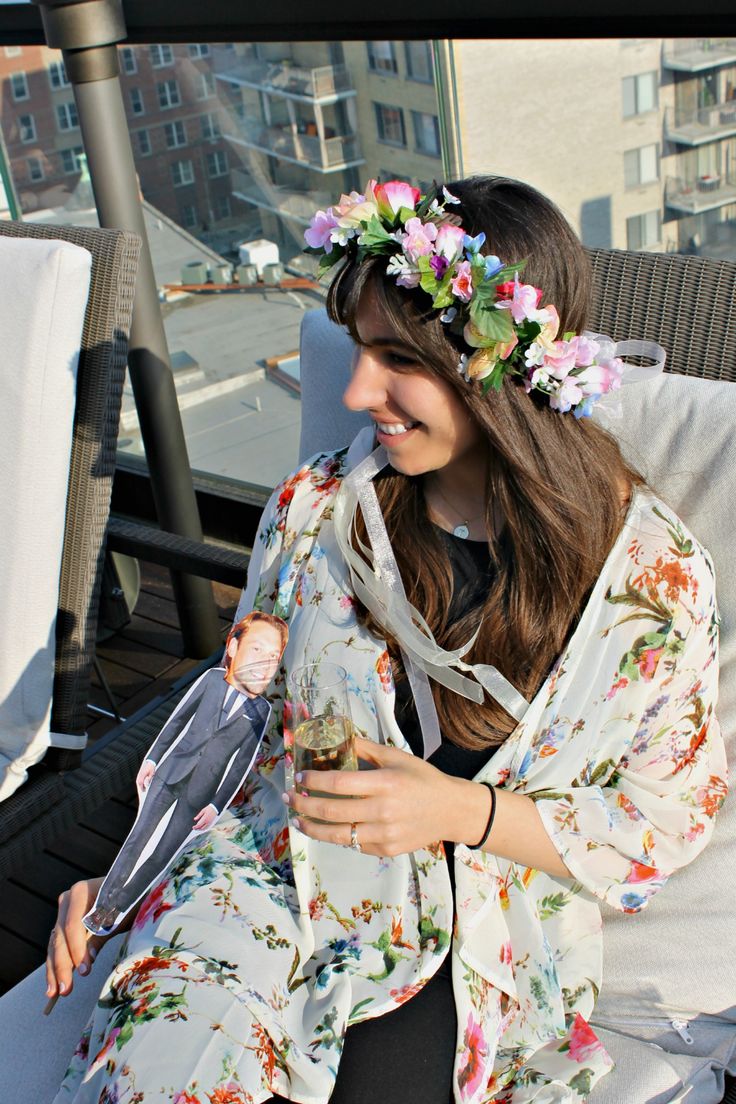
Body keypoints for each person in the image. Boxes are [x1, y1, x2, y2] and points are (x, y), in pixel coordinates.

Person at [46, 177, 726, 1104]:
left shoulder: (648, 583)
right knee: (155, 1070)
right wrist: (128, 880)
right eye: (360, 351)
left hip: (469, 939)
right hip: (262, 881)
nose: (358, 389)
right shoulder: (315, 512)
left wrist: (459, 813)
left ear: (504, 360)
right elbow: (242, 735)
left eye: (397, 357)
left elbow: (663, 820)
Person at [83, 610, 287, 935]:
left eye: (273, 656)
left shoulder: (259, 711)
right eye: (256, 648)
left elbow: (239, 764)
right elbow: (177, 723)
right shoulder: (209, 681)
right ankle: (103, 906)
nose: (263, 660)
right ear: (233, 646)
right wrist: (151, 760)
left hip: (201, 793)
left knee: (162, 852)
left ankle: (117, 910)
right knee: (138, 839)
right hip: (170, 771)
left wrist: (217, 804)